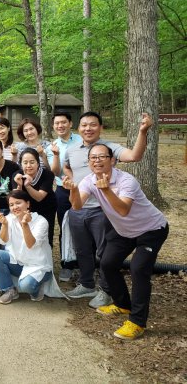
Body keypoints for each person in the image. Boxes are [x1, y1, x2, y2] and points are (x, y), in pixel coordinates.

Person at [63, 144, 168, 340]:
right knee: (107, 263)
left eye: (102, 156)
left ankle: (137, 322)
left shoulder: (127, 181)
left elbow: (123, 210)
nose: (97, 160)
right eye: (93, 157)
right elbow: (76, 206)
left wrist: (106, 190)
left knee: (138, 269)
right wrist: (73, 190)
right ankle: (122, 304)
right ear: (89, 162)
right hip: (124, 231)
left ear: (112, 160)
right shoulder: (89, 180)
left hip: (151, 229)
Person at [63, 111, 152, 309]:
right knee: (82, 249)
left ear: (101, 127)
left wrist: (143, 132)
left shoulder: (110, 148)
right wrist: (72, 181)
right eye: (84, 125)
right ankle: (86, 284)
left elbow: (135, 156)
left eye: (93, 124)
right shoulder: (71, 149)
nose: (88, 128)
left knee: (105, 252)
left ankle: (106, 290)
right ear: (78, 128)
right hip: (79, 206)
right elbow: (67, 167)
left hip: (103, 209)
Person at [0, 190, 60, 304]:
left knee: (25, 286)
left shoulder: (41, 221)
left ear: (27, 204)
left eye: (18, 203)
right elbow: (2, 241)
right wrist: (5, 225)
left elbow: (30, 244)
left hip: (39, 266)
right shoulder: (9, 218)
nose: (15, 207)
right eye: (11, 205)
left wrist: (25, 224)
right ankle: (9, 290)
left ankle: (36, 291)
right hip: (19, 263)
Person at [46, 111, 82, 281]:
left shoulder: (82, 141)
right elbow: (54, 172)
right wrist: (55, 155)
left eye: (63, 122)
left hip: (84, 189)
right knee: (65, 227)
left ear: (70, 123)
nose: (60, 126)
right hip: (63, 190)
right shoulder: (52, 146)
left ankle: (85, 264)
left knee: (85, 226)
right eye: (57, 123)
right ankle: (66, 264)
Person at [14, 148, 57, 247]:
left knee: (45, 237)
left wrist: (27, 186)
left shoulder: (47, 174)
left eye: (32, 162)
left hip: (46, 209)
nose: (28, 165)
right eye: (25, 163)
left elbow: (39, 197)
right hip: (27, 211)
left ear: (38, 163)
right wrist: (19, 185)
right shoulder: (17, 176)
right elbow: (15, 198)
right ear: (21, 164)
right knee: (26, 237)